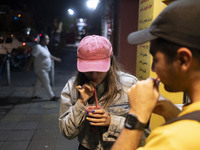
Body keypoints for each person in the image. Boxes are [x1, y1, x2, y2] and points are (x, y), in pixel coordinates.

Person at [112, 0, 200, 150]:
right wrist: (172, 112)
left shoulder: (171, 139)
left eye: (156, 59)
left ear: (183, 60)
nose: (153, 68)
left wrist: (136, 116)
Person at [59, 35, 150, 150]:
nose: (94, 75)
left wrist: (112, 121)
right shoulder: (72, 87)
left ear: (110, 61)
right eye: (88, 70)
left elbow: (144, 131)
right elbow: (67, 132)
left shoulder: (130, 85)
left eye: (99, 69)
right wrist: (81, 103)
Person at [26, 34, 61, 101]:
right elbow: (32, 58)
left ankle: (34, 95)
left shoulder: (45, 47)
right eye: (46, 39)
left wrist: (56, 58)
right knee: (46, 82)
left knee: (39, 82)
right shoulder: (37, 47)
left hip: (45, 69)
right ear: (42, 40)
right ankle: (52, 96)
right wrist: (28, 67)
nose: (48, 40)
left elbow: (49, 55)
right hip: (40, 69)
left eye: (48, 39)